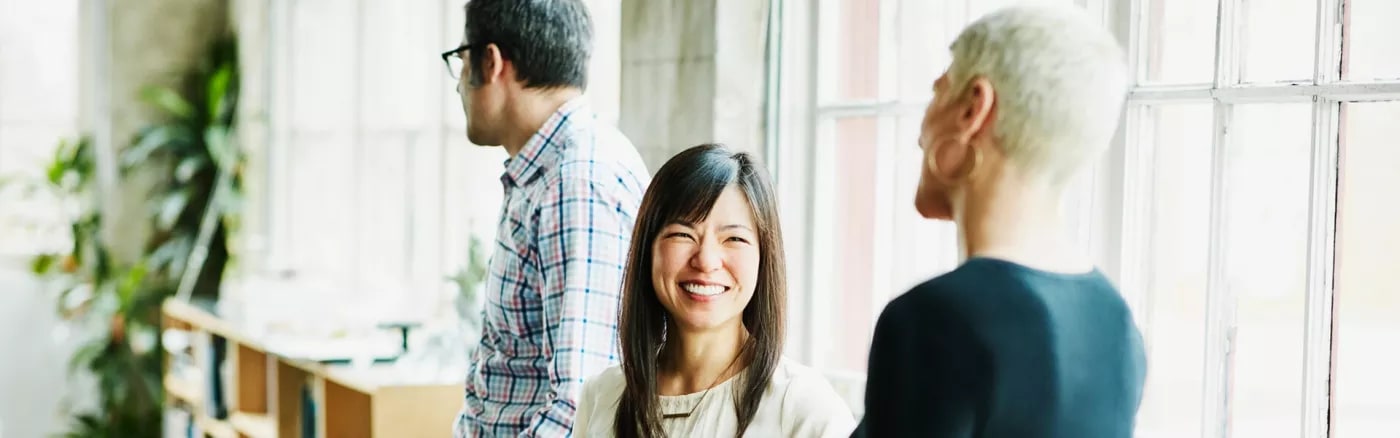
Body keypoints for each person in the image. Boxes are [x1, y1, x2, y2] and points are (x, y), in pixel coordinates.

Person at [853, 5, 1147, 437]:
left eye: (939, 89)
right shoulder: (1116, 324)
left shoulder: (935, 321)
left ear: (974, 108)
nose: (920, 132)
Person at [442, 0, 650, 436]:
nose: (459, 82)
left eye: (461, 61)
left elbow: (577, 409)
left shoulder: (577, 182)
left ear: (492, 61)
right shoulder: (548, 171)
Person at [574, 144, 855, 438]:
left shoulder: (804, 408)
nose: (706, 261)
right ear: (648, 250)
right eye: (683, 235)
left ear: (763, 257)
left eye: (733, 238)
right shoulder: (602, 396)